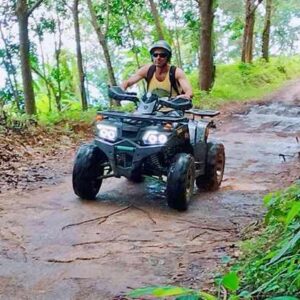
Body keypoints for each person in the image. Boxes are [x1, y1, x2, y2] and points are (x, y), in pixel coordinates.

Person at [121, 40, 193, 101]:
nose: (158, 58)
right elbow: (128, 82)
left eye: (162, 55)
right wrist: (121, 89)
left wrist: (186, 96)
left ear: (168, 57)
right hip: (150, 110)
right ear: (152, 57)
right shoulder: (147, 70)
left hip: (173, 111)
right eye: (155, 55)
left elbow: (189, 91)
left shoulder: (176, 72)